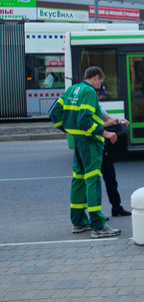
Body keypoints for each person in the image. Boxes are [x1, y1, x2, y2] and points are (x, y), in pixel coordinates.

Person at [49, 66, 122, 239]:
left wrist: (68, 130)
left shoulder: (73, 89)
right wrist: (106, 133)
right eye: (101, 82)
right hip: (90, 143)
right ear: (96, 77)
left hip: (79, 143)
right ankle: (98, 226)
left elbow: (54, 113)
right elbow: (85, 121)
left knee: (78, 180)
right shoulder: (89, 91)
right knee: (93, 181)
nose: (100, 86)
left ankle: (79, 222)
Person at [95, 84, 132, 218]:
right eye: (100, 94)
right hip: (94, 145)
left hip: (104, 145)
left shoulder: (97, 104)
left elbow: (106, 118)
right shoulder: (88, 104)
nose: (100, 97)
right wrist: (107, 124)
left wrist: (117, 120)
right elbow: (90, 125)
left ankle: (116, 207)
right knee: (95, 181)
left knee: (111, 177)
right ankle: (96, 213)